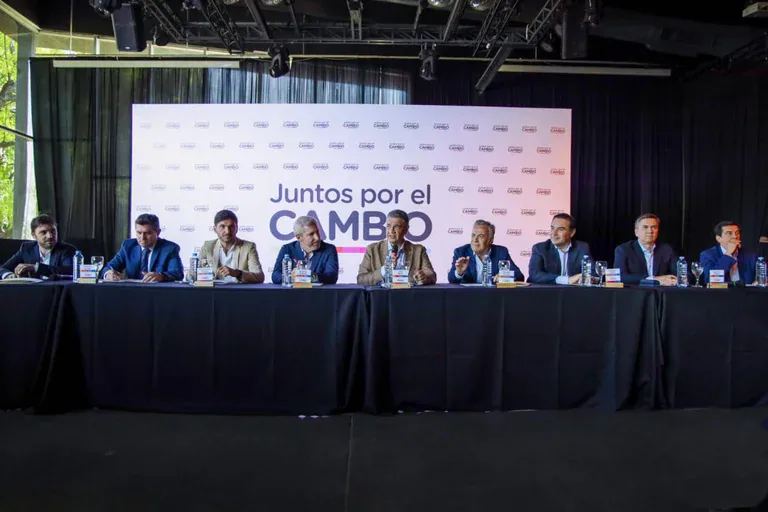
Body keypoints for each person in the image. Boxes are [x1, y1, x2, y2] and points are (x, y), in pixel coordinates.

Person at [357, 209, 436, 286]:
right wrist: (384, 270)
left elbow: (432, 276)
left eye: (396, 226)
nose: (391, 231)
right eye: (388, 226)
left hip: (409, 293)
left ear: (406, 229)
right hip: (382, 294)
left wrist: (423, 278)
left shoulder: (419, 250)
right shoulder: (372, 249)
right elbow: (361, 279)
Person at [103, 213, 184, 283]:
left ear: (158, 232)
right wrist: (108, 273)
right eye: (139, 233)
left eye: (147, 233)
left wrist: (161, 276)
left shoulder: (169, 248)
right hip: (131, 291)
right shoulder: (128, 246)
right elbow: (108, 267)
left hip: (158, 292)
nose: (142, 238)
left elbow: (177, 274)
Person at [0, 214, 76, 280]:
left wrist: (36, 268)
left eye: (53, 231)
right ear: (34, 235)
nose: (50, 236)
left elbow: (69, 271)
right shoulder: (26, 248)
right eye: (43, 232)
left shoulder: (67, 250)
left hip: (56, 290)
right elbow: (3, 268)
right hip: (32, 290)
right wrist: (9, 275)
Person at [198, 210, 264, 283]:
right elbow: (192, 275)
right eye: (222, 226)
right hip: (214, 289)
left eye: (231, 226)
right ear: (215, 229)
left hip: (239, 289)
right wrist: (205, 275)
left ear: (237, 228)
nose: (227, 231)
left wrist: (237, 273)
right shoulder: (207, 246)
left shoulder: (248, 247)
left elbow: (259, 277)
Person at [448, 219, 523, 284]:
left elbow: (519, 276)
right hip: (469, 295)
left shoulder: (501, 252)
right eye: (473, 235)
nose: (475, 240)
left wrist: (505, 277)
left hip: (494, 295)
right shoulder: (461, 252)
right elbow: (451, 279)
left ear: (490, 240)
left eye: (480, 236)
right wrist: (459, 273)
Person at [614, 213, 678, 286]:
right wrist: (653, 279)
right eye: (645, 227)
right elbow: (620, 277)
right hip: (636, 291)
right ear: (636, 232)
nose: (650, 231)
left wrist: (677, 279)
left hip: (661, 291)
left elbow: (682, 273)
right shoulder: (624, 250)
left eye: (654, 227)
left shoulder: (666, 249)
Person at [271, 216, 339, 284]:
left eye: (317, 232)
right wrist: (290, 278)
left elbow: (332, 277)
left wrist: (310, 276)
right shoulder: (287, 249)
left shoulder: (329, 249)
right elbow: (275, 275)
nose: (317, 238)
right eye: (311, 234)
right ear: (299, 237)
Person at [528, 213, 592, 284]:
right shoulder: (540, 249)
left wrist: (588, 278)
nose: (554, 233)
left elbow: (593, 273)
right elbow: (534, 275)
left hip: (575, 290)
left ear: (572, 232)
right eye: (552, 228)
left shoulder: (582, 248)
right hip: (549, 290)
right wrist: (567, 280)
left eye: (560, 229)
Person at [700, 221, 756, 286]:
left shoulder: (750, 255)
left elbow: (761, 277)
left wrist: (759, 281)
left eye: (737, 233)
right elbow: (712, 280)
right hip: (721, 292)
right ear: (719, 239)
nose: (735, 236)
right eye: (729, 233)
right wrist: (728, 254)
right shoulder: (707, 255)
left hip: (746, 291)